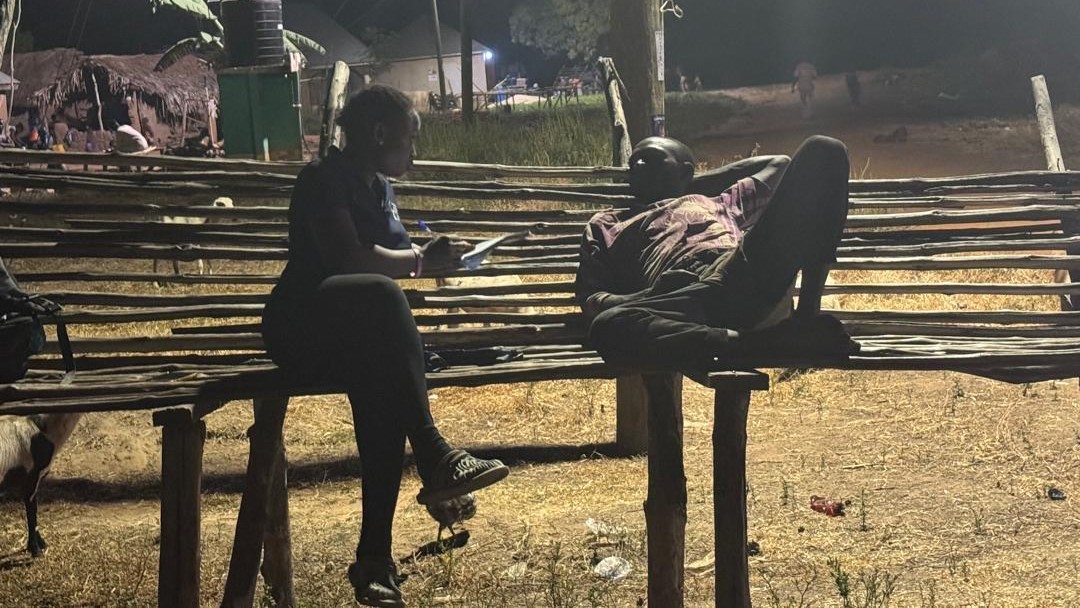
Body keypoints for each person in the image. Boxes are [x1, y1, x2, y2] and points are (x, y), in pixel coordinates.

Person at [260, 85, 509, 607]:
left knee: (382, 393)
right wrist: (418, 261)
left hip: (357, 340)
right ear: (378, 133)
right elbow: (349, 260)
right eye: (409, 138)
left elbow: (394, 255)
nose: (414, 151)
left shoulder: (379, 187)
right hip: (303, 329)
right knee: (380, 293)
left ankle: (374, 561)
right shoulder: (322, 180)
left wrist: (436, 254)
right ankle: (434, 454)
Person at [577, 135, 856, 371]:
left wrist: (687, 186)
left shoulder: (719, 202)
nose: (636, 166)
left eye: (651, 159)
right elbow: (593, 300)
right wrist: (648, 295)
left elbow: (779, 164)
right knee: (607, 326)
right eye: (633, 162)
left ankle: (806, 319)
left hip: (737, 271)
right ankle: (758, 344)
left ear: (685, 171)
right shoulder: (608, 222)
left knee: (825, 149)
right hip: (686, 300)